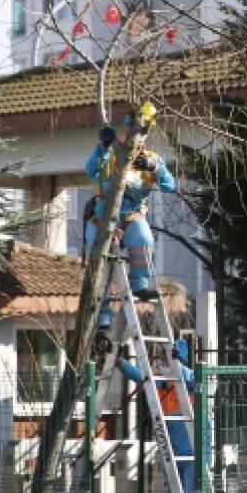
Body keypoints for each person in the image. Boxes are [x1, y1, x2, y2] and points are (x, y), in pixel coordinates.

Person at [85, 122, 177, 335]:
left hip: (131, 216)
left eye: (143, 132)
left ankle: (139, 285)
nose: (137, 136)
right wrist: (103, 147)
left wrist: (156, 168)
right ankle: (103, 314)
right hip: (103, 216)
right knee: (97, 255)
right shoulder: (109, 154)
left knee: (143, 239)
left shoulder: (151, 159)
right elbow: (89, 170)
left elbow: (170, 185)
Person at [117, 339, 209, 493]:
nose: (164, 362)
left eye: (169, 359)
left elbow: (192, 379)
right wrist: (119, 362)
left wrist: (177, 367)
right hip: (171, 449)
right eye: (165, 358)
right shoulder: (158, 380)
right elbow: (138, 374)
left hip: (192, 451)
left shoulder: (189, 380)